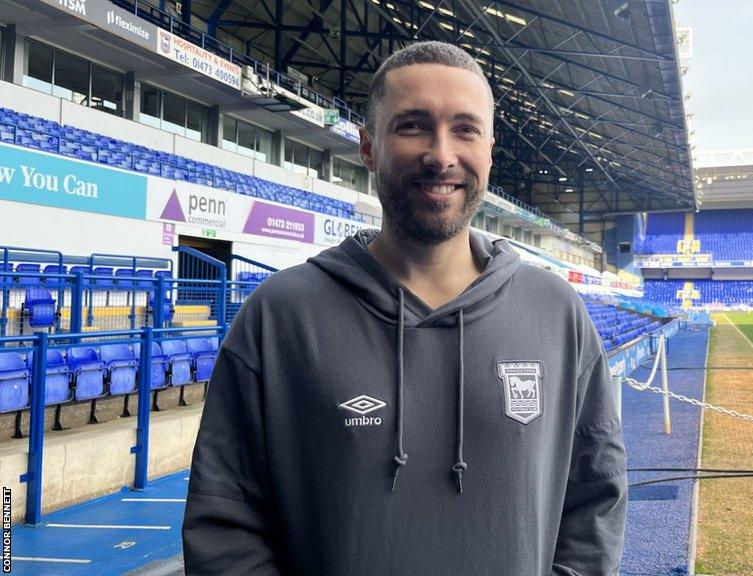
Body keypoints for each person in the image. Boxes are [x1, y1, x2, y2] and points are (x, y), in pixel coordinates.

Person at [182, 40, 627, 575]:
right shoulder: (280, 316)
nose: (441, 155)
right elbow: (225, 525)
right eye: (412, 125)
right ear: (369, 146)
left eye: (465, 129)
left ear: (489, 148)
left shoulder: (556, 313)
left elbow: (596, 501)